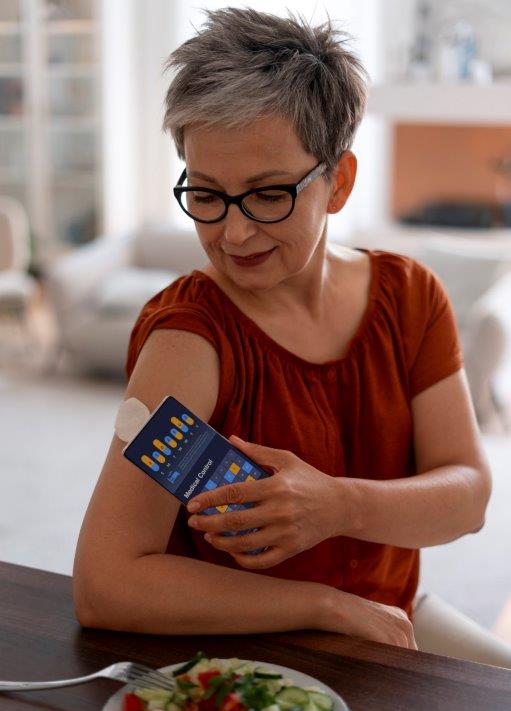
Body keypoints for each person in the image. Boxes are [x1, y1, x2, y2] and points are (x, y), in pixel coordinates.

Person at [73, 7, 492, 654]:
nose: (232, 234)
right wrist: (326, 606)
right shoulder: (190, 340)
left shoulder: (410, 298)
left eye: (268, 194)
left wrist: (336, 507)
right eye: (206, 194)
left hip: (382, 645)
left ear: (338, 183)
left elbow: (466, 496)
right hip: (247, 664)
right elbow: (106, 583)